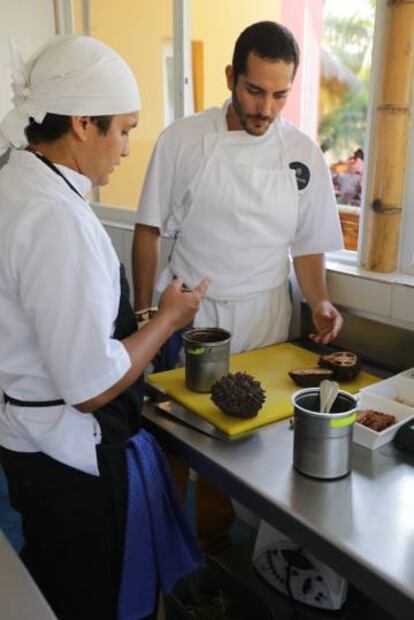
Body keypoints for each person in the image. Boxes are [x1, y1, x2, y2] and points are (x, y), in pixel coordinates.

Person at [0, 35, 210, 620]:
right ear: (82, 123)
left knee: (53, 577)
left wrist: (131, 323)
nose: (126, 147)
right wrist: (167, 317)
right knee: (88, 597)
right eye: (123, 129)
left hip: (29, 440)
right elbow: (90, 385)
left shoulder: (16, 184)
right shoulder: (54, 218)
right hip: (69, 458)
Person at [132, 21, 344, 550]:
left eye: (279, 95)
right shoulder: (183, 140)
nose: (265, 109)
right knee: (180, 444)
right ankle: (171, 550)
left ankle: (220, 545)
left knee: (252, 448)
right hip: (192, 319)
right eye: (254, 91)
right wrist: (143, 318)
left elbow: (307, 244)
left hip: (269, 320)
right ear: (231, 76)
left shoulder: (303, 153)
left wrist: (319, 301)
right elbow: (148, 230)